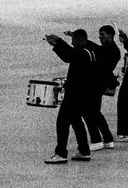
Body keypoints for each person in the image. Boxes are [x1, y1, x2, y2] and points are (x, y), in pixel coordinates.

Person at [43, 30, 106, 162]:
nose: (72, 42)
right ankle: (84, 151)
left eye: (74, 40)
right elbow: (70, 53)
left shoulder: (82, 53)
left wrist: (57, 43)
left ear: (81, 40)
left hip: (75, 94)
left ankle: (61, 153)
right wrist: (58, 42)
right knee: (76, 122)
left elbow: (68, 56)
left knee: (62, 122)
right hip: (84, 93)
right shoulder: (90, 52)